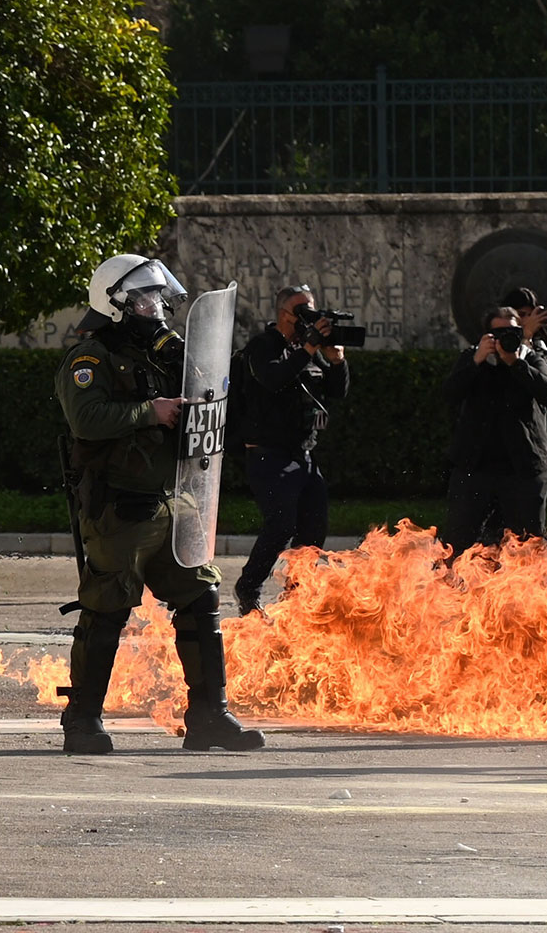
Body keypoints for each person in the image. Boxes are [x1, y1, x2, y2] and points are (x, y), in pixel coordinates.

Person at [53, 254, 266, 754]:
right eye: (145, 300)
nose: (156, 309)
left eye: (157, 298)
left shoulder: (163, 354)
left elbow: (208, 387)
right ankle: (82, 720)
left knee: (200, 599)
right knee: (106, 611)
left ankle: (210, 715)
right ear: (116, 305)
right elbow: (87, 419)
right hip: (120, 507)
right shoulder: (90, 359)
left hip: (174, 499)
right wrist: (152, 410)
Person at [230, 285, 349, 615]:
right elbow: (273, 379)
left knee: (313, 529)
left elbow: (336, 392)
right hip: (268, 455)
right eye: (302, 310)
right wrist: (309, 347)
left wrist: (337, 362)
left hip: (304, 456)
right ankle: (249, 586)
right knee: (281, 524)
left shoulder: (307, 352)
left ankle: (297, 596)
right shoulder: (262, 347)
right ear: (284, 314)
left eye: (312, 308)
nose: (309, 316)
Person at [440, 306, 547, 557]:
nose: (505, 337)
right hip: (475, 468)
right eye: (498, 333)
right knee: (459, 544)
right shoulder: (473, 358)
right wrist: (476, 360)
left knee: (527, 547)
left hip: (523, 471)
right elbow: (449, 394)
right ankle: (453, 593)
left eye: (512, 331)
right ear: (486, 335)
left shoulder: (531, 359)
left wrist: (515, 363)